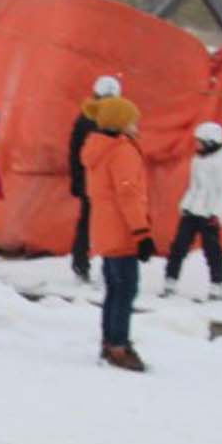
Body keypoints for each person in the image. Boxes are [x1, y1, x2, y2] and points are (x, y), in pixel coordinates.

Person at [83, 96, 155, 372]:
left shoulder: (96, 148)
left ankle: (109, 340)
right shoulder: (121, 150)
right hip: (122, 229)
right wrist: (141, 232)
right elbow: (128, 194)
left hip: (104, 227)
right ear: (121, 123)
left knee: (114, 288)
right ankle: (118, 346)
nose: (136, 126)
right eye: (132, 121)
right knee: (125, 290)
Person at [162, 121, 222, 300]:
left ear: (211, 143)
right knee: (178, 245)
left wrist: (217, 213)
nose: (197, 145)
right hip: (192, 210)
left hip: (209, 214)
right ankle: (170, 280)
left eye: (200, 141)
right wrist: (186, 205)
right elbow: (194, 186)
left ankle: (218, 284)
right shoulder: (197, 160)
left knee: (212, 249)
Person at [67, 75, 121, 286]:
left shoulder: (86, 118)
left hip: (95, 181)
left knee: (90, 224)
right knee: (105, 226)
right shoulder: (110, 120)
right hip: (101, 182)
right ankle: (94, 267)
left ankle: (83, 265)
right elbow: (77, 153)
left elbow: (75, 153)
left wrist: (77, 180)